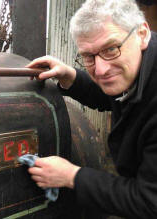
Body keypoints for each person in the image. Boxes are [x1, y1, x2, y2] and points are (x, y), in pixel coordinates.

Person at [26, 0, 157, 218]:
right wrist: (71, 77)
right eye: (88, 56)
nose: (101, 69)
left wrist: (72, 176)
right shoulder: (139, 64)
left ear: (142, 34)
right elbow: (115, 96)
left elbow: (150, 202)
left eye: (111, 49)